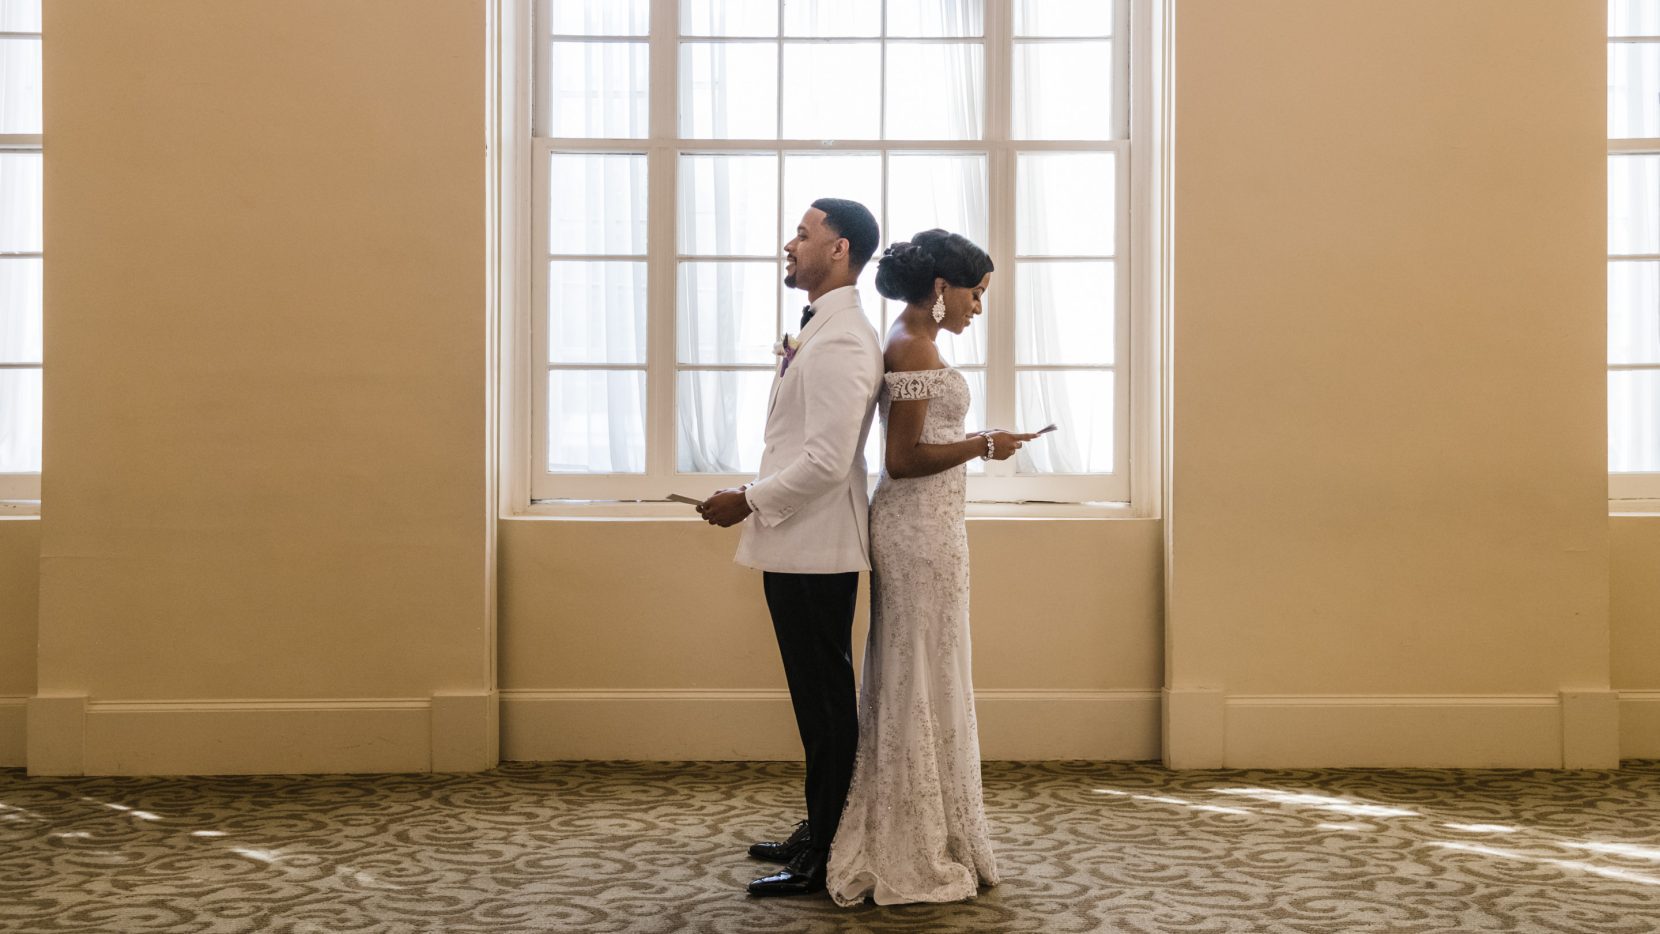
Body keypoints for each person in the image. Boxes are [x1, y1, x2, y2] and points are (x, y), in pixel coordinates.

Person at [825, 230, 1034, 907]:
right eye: (976, 291)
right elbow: (904, 459)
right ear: (942, 288)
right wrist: (983, 443)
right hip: (918, 531)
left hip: (929, 527)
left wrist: (980, 443)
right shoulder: (915, 347)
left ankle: (930, 821)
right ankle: (911, 838)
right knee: (920, 669)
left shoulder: (909, 339)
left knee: (922, 666)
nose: (979, 305)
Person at [697, 197, 885, 897]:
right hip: (796, 546)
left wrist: (746, 498)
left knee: (826, 706)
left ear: (839, 250)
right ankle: (819, 825)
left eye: (803, 234)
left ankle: (826, 853)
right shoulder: (822, 331)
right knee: (814, 703)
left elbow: (829, 462)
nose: (790, 243)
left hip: (818, 550)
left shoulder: (841, 339)